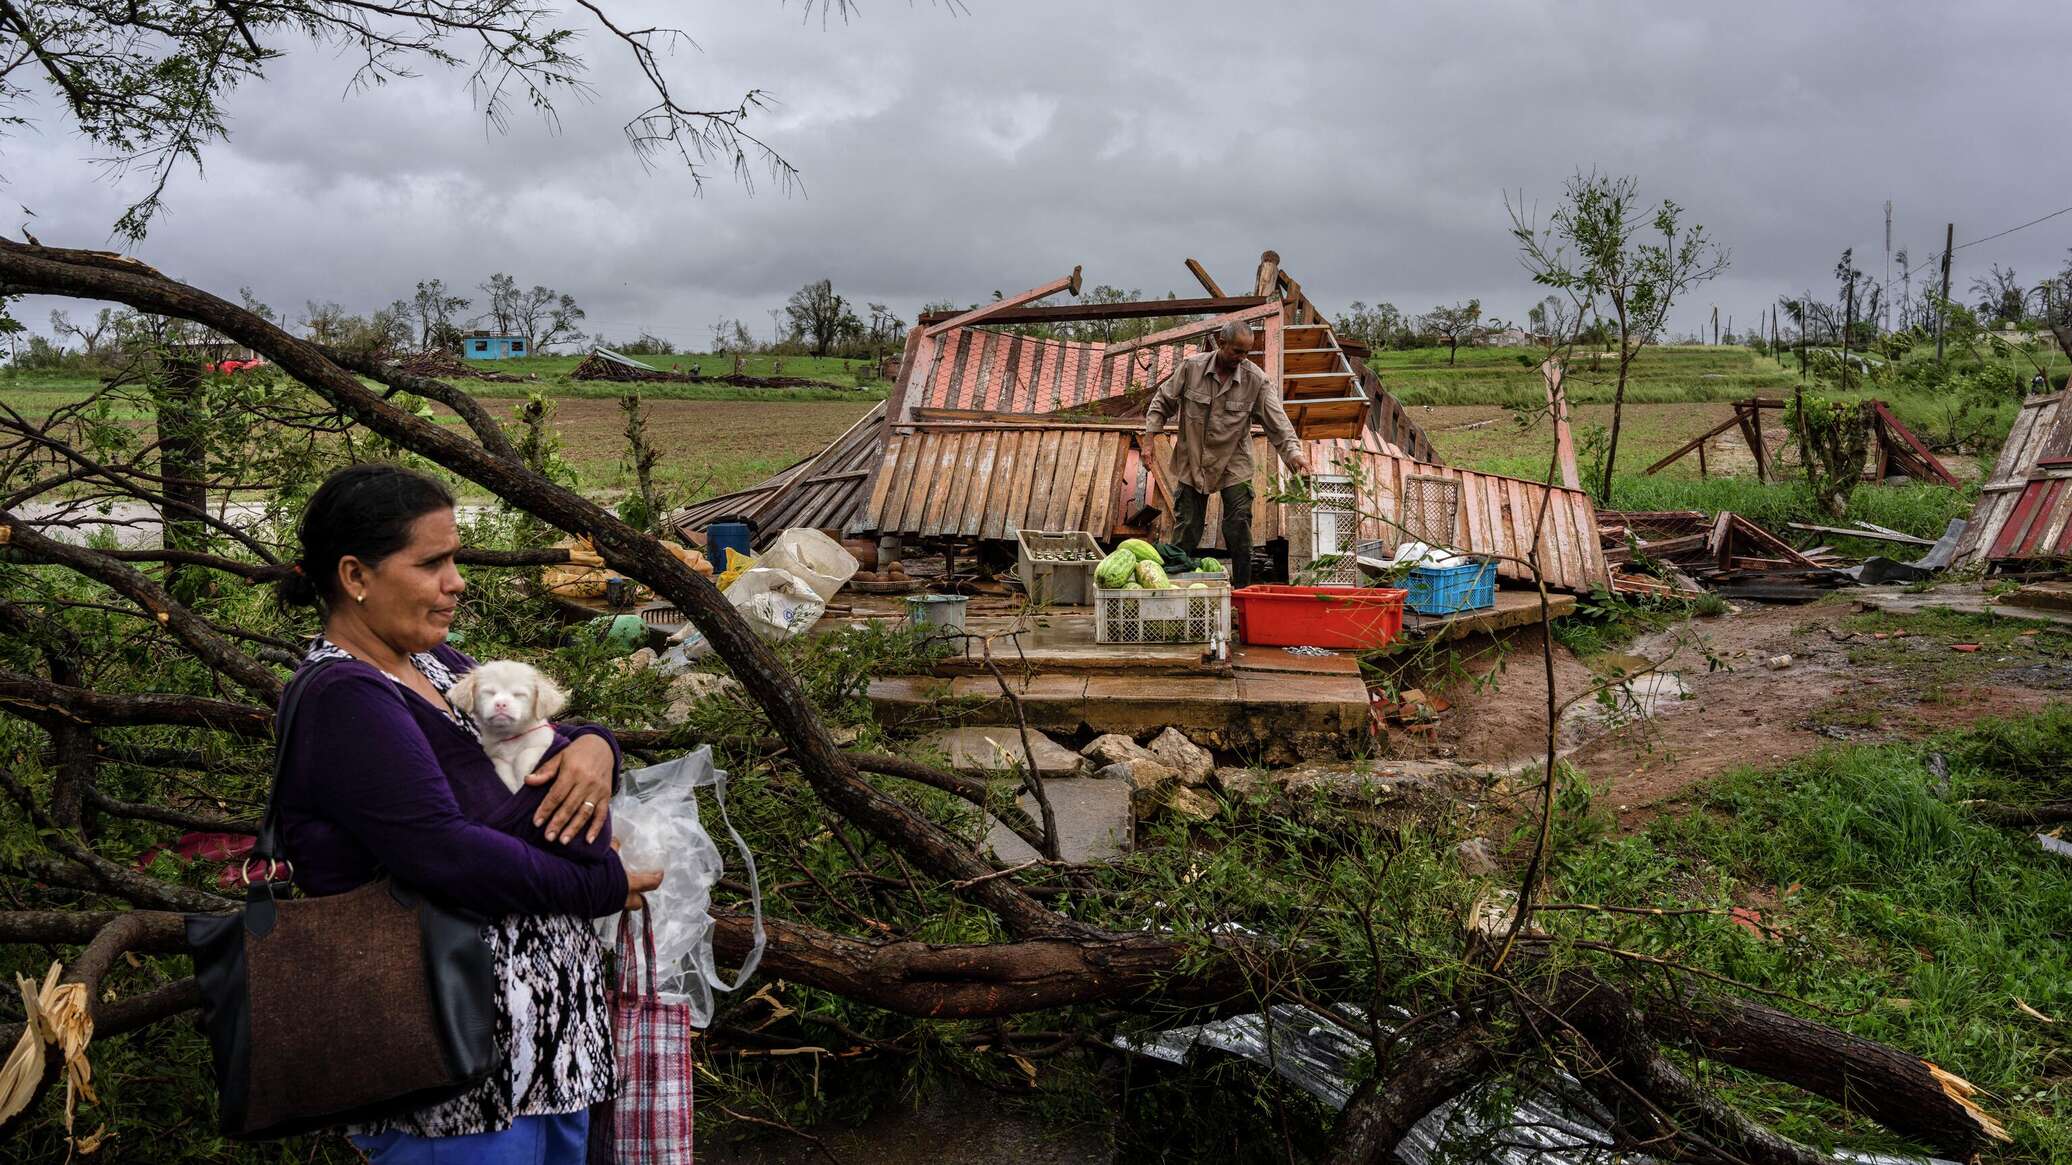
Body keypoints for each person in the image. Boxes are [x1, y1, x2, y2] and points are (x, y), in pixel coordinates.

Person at [274, 463, 663, 1163]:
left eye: (455, 558)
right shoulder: (345, 698)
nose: (457, 580)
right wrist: (603, 885)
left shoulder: (438, 666)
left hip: (541, 1059)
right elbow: (449, 854)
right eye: (433, 562)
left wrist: (599, 748)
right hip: (451, 1080)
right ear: (356, 574)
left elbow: (542, 735)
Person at [1142, 320, 1310, 587]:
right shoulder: (1191, 368)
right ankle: (1172, 586)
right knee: (1187, 526)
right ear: (1221, 343)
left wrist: (1294, 454)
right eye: (1236, 352)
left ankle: (1243, 591)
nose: (1241, 358)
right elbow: (1162, 401)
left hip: (1235, 460)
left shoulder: (1255, 380)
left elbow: (1277, 422)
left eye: (1246, 353)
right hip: (1193, 457)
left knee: (1239, 524)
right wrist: (1149, 440)